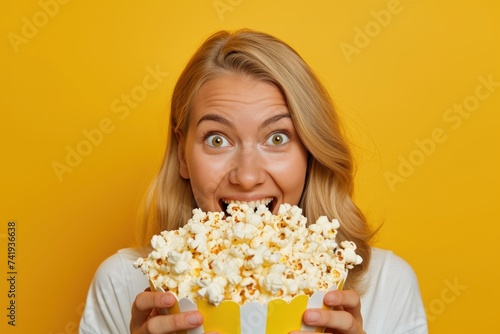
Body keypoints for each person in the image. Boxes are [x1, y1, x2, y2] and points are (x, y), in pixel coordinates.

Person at [79, 29, 428, 334]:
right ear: (183, 156)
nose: (247, 177)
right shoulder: (121, 282)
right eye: (217, 139)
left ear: (310, 151)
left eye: (277, 138)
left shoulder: (387, 285)